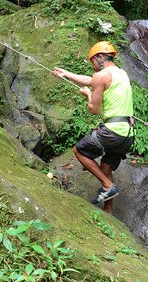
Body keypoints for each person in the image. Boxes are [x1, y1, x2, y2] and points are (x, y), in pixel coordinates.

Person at [51, 41, 134, 213]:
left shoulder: (101, 76)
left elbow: (94, 110)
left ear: (100, 57)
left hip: (112, 131)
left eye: (93, 62)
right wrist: (66, 74)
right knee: (105, 167)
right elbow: (91, 80)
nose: (93, 66)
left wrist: (89, 94)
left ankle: (107, 185)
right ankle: (108, 209)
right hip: (128, 134)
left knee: (79, 150)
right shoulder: (121, 73)